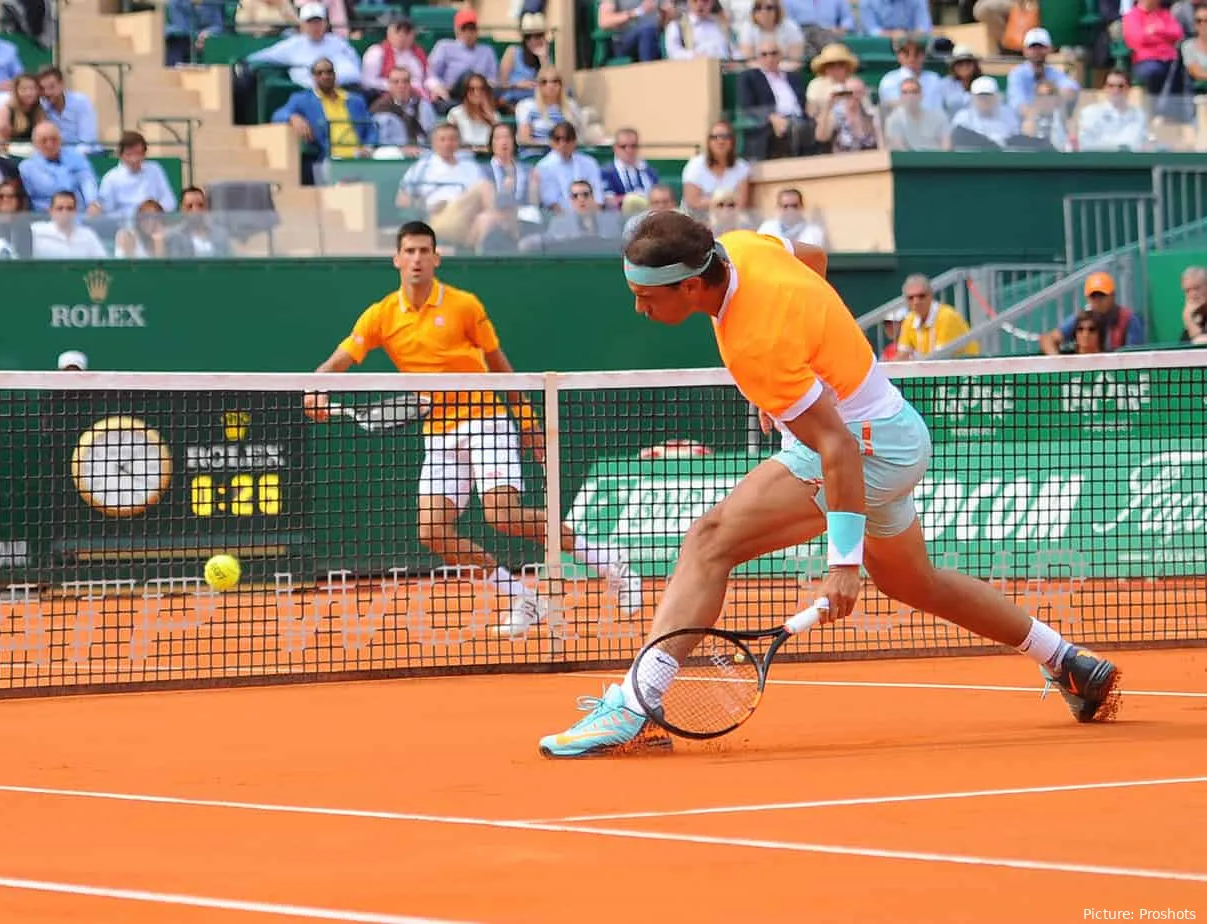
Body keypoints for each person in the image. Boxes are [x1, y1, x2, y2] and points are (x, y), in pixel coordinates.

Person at [538, 210, 1123, 758]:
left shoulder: (754, 342)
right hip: (892, 427)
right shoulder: (743, 246)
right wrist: (799, 385)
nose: (638, 308)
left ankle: (639, 704)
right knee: (917, 583)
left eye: (645, 296)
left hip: (863, 445)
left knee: (709, 542)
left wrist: (844, 561)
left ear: (691, 286)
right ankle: (1067, 660)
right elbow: (813, 261)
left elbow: (835, 444)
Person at [303, 220, 644, 635]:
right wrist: (316, 388)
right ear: (396, 259)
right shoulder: (380, 315)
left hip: (485, 421)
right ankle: (523, 598)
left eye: (424, 251)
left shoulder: (464, 305)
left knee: (502, 515)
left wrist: (529, 423)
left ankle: (612, 564)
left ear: (436, 258)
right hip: (438, 434)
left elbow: (500, 366)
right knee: (432, 531)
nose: (416, 259)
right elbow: (340, 359)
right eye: (409, 251)